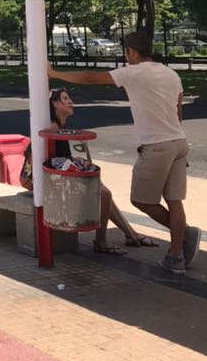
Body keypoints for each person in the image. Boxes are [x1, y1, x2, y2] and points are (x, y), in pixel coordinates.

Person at [49, 30, 201, 275]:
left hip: (156, 145)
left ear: (130, 51)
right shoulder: (172, 74)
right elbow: (178, 112)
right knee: (175, 201)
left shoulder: (133, 73)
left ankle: (184, 235)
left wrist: (54, 73)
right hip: (178, 141)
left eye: (126, 53)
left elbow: (89, 77)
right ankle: (175, 255)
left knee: (141, 200)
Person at [21, 88, 157, 255]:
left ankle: (130, 234)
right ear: (55, 104)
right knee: (103, 194)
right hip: (44, 179)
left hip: (54, 174)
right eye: (65, 99)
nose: (71, 102)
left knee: (101, 189)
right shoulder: (53, 126)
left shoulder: (59, 125)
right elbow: (43, 158)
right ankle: (102, 240)